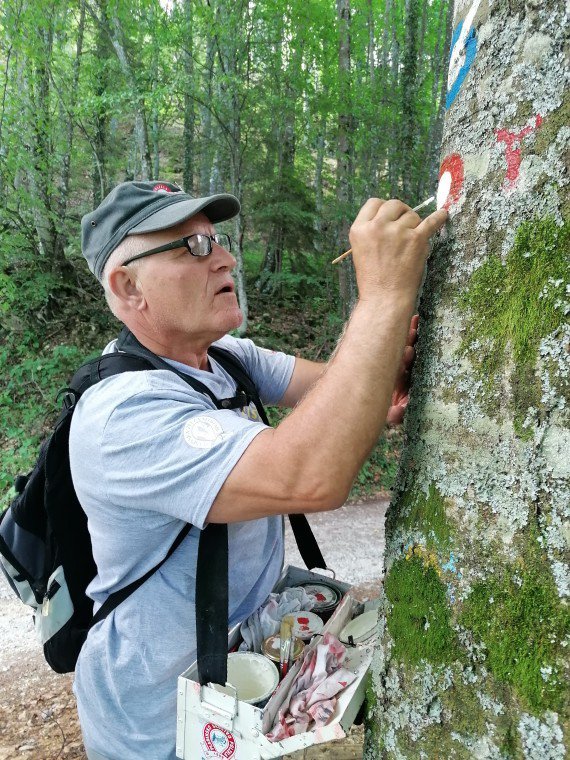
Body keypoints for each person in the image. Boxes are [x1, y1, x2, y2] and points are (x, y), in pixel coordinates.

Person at [71, 179, 447, 759]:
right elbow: (310, 474)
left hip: (238, 678)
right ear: (128, 286)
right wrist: (383, 299)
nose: (223, 256)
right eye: (190, 247)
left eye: (216, 240)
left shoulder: (225, 359)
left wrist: (384, 364)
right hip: (153, 720)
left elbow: (338, 393)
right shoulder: (124, 416)